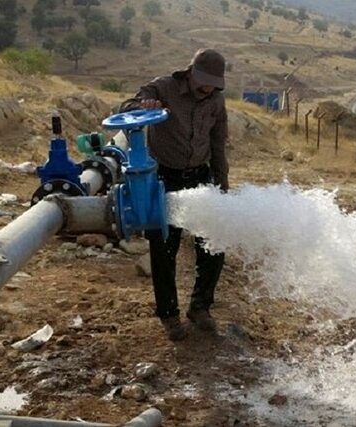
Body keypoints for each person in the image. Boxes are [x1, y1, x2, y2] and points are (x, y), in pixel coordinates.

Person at [119, 49, 229, 341]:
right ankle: (169, 315)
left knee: (213, 245)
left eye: (213, 84)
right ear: (191, 71)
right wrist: (144, 104)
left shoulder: (216, 100)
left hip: (200, 178)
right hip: (165, 179)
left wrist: (222, 184)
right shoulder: (164, 87)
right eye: (203, 81)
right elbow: (127, 105)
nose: (207, 89)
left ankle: (200, 307)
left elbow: (218, 143)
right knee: (164, 251)